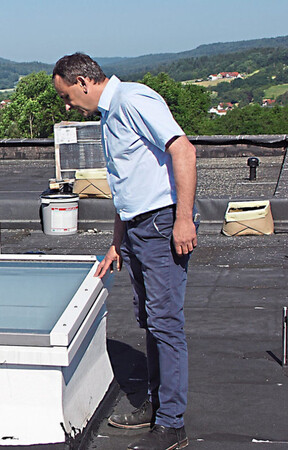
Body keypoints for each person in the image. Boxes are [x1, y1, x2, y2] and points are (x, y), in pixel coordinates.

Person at [52, 53, 197, 450]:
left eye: (66, 96)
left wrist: (183, 219)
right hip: (137, 228)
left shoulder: (133, 100)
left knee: (166, 323)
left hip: (161, 224)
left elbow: (183, 151)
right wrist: (117, 241)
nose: (67, 105)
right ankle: (156, 406)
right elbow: (125, 184)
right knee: (150, 319)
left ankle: (172, 425)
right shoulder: (108, 116)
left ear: (83, 81)